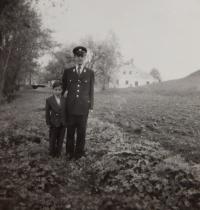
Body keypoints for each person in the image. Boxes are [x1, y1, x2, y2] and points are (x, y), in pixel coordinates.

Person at [62, 46, 94, 160]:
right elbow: (63, 89)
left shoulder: (90, 73)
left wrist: (91, 106)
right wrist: (63, 102)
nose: (80, 58)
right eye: (78, 56)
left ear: (85, 58)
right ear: (74, 58)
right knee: (70, 131)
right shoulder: (68, 72)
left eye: (82, 56)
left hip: (83, 107)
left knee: (81, 132)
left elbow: (91, 91)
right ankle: (69, 153)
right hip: (70, 107)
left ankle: (79, 153)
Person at [45, 81, 66, 158]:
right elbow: (47, 112)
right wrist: (48, 122)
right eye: (56, 89)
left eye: (59, 90)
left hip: (63, 123)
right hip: (53, 123)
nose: (58, 91)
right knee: (53, 138)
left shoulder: (64, 99)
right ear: (53, 90)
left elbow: (66, 111)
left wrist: (66, 121)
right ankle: (52, 152)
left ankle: (58, 153)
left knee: (60, 139)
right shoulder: (49, 100)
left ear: (62, 90)